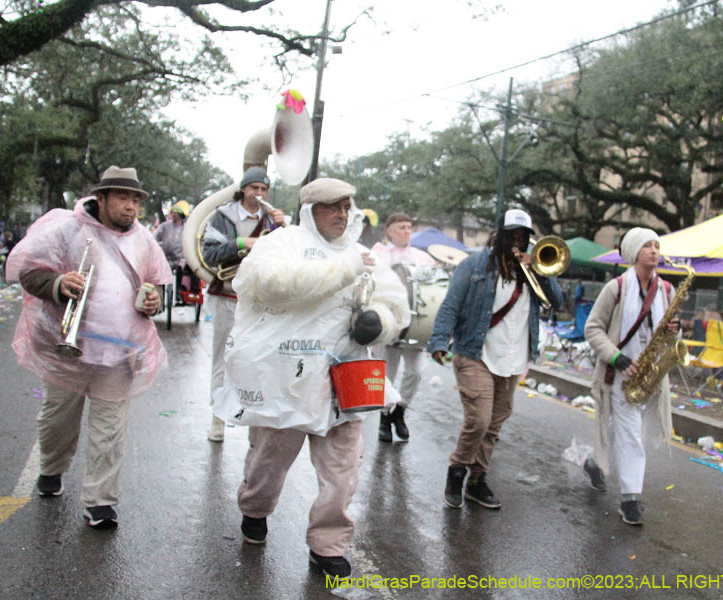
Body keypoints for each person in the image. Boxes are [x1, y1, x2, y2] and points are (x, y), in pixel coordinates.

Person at [220, 178, 409, 578]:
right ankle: (255, 510)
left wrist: (380, 323)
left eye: (346, 207)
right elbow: (270, 285)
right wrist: (344, 270)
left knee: (342, 471)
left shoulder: (362, 254)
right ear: (310, 211)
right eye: (331, 207)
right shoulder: (281, 243)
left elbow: (394, 303)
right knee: (269, 462)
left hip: (346, 380)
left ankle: (328, 544)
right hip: (285, 379)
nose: (341, 215)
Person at [6, 166, 172, 529]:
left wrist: (152, 301)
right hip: (66, 348)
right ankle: (51, 469)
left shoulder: (144, 239)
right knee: (58, 421)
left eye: (135, 200)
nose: (131, 207)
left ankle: (100, 502)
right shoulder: (68, 229)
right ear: (102, 198)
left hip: (120, 354)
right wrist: (58, 281)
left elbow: (156, 284)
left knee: (110, 431)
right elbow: (29, 271)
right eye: (123, 198)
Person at [428, 209, 563, 510]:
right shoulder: (475, 265)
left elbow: (556, 302)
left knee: (494, 424)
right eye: (511, 235)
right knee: (479, 420)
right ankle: (457, 470)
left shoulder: (532, 270)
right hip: (475, 352)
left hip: (514, 357)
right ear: (499, 235)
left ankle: (477, 480)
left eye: (523, 237)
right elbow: (451, 304)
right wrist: (439, 340)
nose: (517, 242)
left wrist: (539, 271)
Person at [582, 227, 680, 526]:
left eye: (657, 245)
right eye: (648, 246)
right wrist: (617, 357)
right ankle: (631, 499)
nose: (654, 250)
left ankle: (595, 463)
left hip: (650, 375)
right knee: (631, 434)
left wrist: (675, 333)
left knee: (624, 431)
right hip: (620, 373)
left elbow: (668, 340)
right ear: (635, 253)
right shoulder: (616, 288)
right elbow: (592, 329)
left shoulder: (667, 291)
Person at [200, 166, 285, 442]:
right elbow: (210, 254)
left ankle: (255, 423)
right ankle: (218, 418)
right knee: (223, 357)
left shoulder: (271, 218)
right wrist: (241, 242)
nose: (259, 194)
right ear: (244, 189)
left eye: (263, 190)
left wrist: (283, 229)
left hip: (259, 298)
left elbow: (285, 256)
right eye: (254, 189)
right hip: (228, 294)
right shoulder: (223, 216)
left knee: (259, 359)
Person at [370, 213, 437, 442]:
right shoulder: (377, 253)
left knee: (416, 372)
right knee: (385, 374)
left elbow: (433, 286)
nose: (406, 231)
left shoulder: (422, 257)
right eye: (401, 227)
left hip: (416, 323)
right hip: (389, 320)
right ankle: (384, 417)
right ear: (389, 230)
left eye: (409, 227)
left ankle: (400, 410)